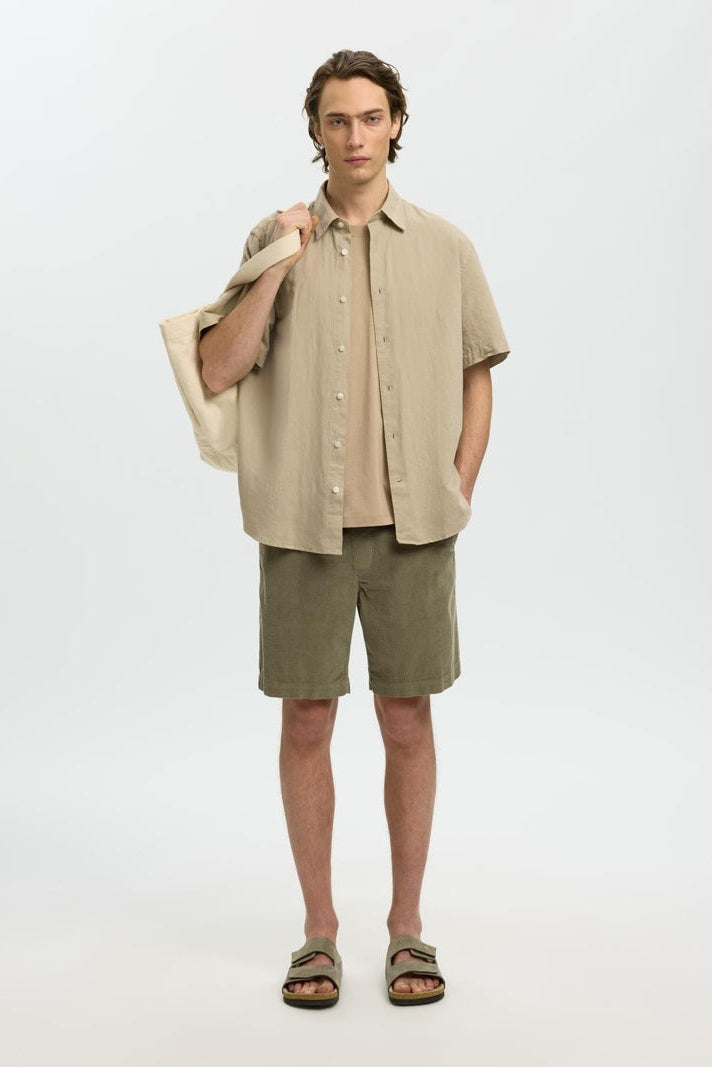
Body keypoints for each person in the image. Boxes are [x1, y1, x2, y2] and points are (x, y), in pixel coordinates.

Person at [198, 49, 510, 1008]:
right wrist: (277, 264)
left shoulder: (446, 246)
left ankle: (407, 927)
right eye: (338, 120)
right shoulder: (274, 237)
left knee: (407, 719)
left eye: (372, 117)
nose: (356, 136)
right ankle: (318, 932)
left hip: (414, 529)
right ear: (316, 131)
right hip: (304, 526)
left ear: (397, 124)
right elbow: (218, 367)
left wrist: (457, 484)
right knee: (307, 719)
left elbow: (478, 375)